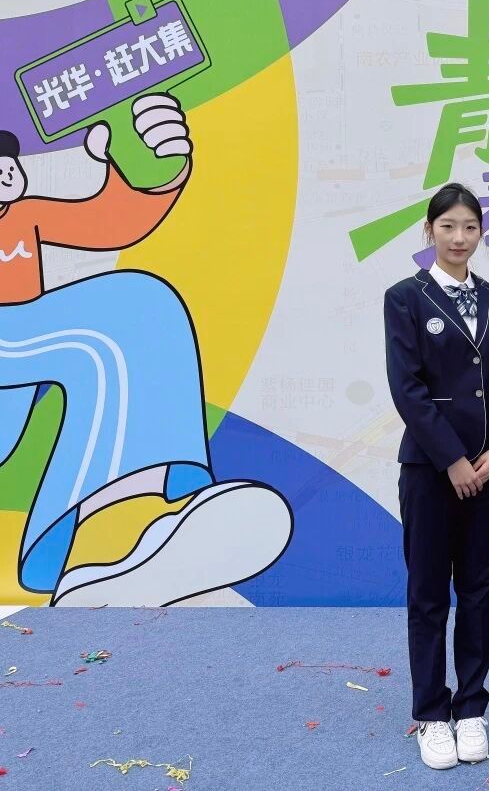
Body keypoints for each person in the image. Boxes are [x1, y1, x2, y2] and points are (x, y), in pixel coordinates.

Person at [0, 98, 292, 607]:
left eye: (7, 165)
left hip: (25, 334)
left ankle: (162, 507)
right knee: (106, 336)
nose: (6, 175)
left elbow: (109, 224)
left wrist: (150, 167)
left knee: (145, 306)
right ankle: (73, 540)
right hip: (17, 334)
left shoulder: (26, 214)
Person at [384, 183, 489, 770]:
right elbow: (407, 389)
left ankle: (470, 708)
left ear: (480, 232)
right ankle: (432, 713)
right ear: (429, 231)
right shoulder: (405, 298)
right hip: (430, 470)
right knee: (427, 594)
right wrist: (452, 459)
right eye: (448, 227)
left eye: (469, 227)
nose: (459, 238)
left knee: (478, 589)